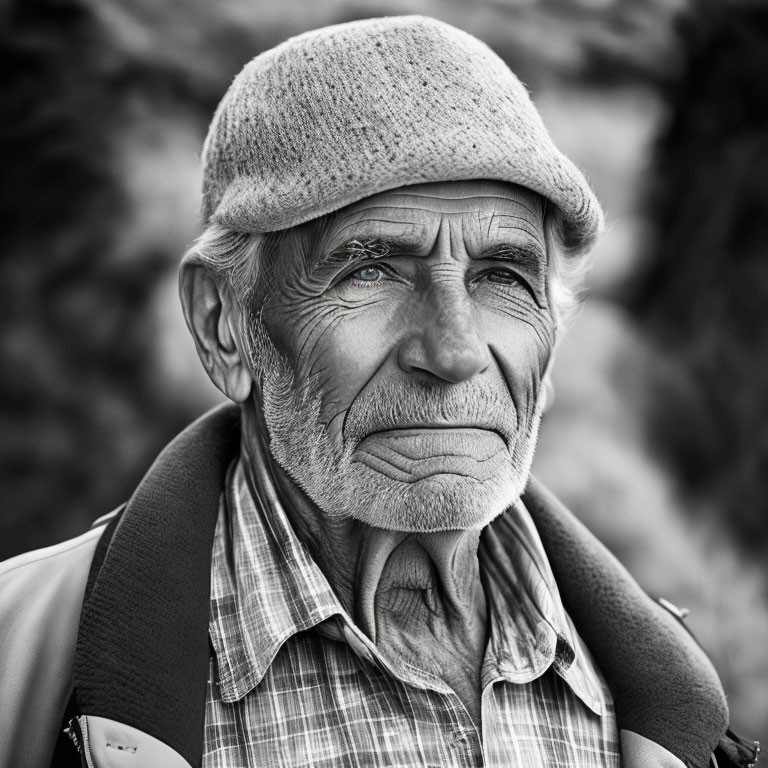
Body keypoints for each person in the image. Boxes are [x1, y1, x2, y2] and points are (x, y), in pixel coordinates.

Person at [0, 16, 759, 768]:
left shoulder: (664, 700)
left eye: (502, 275)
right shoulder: (21, 658)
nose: (455, 352)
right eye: (372, 269)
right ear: (223, 323)